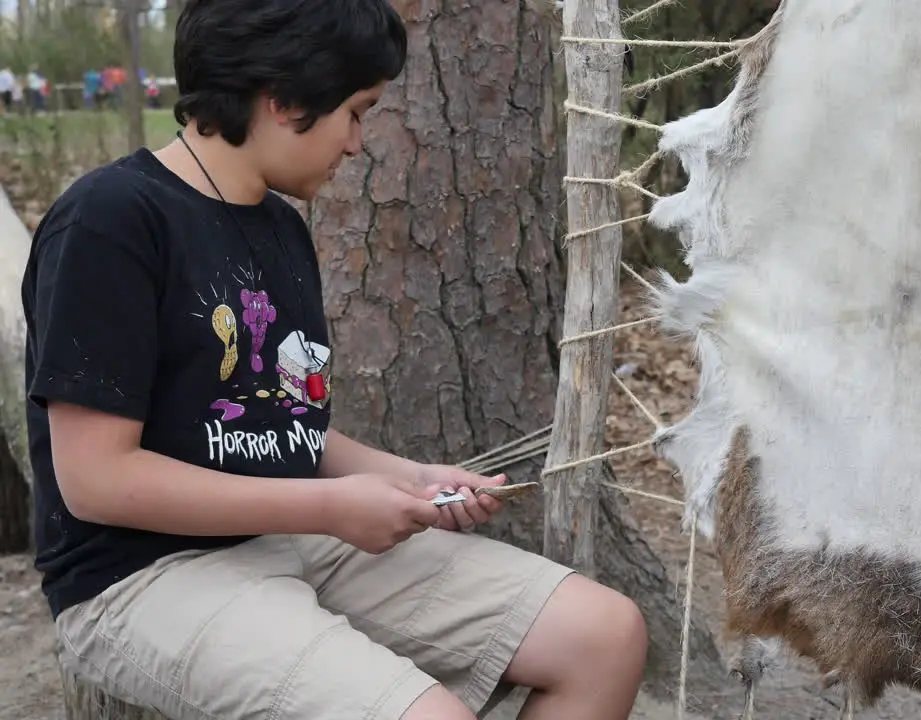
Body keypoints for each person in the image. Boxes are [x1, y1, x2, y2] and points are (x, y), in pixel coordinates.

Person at [20, 1, 648, 719]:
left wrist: (412, 480)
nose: (356, 143)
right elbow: (96, 480)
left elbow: (284, 430)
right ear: (283, 100)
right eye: (355, 111)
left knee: (605, 636)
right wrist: (330, 509)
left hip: (293, 534)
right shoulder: (111, 220)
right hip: (141, 575)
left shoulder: (282, 230)